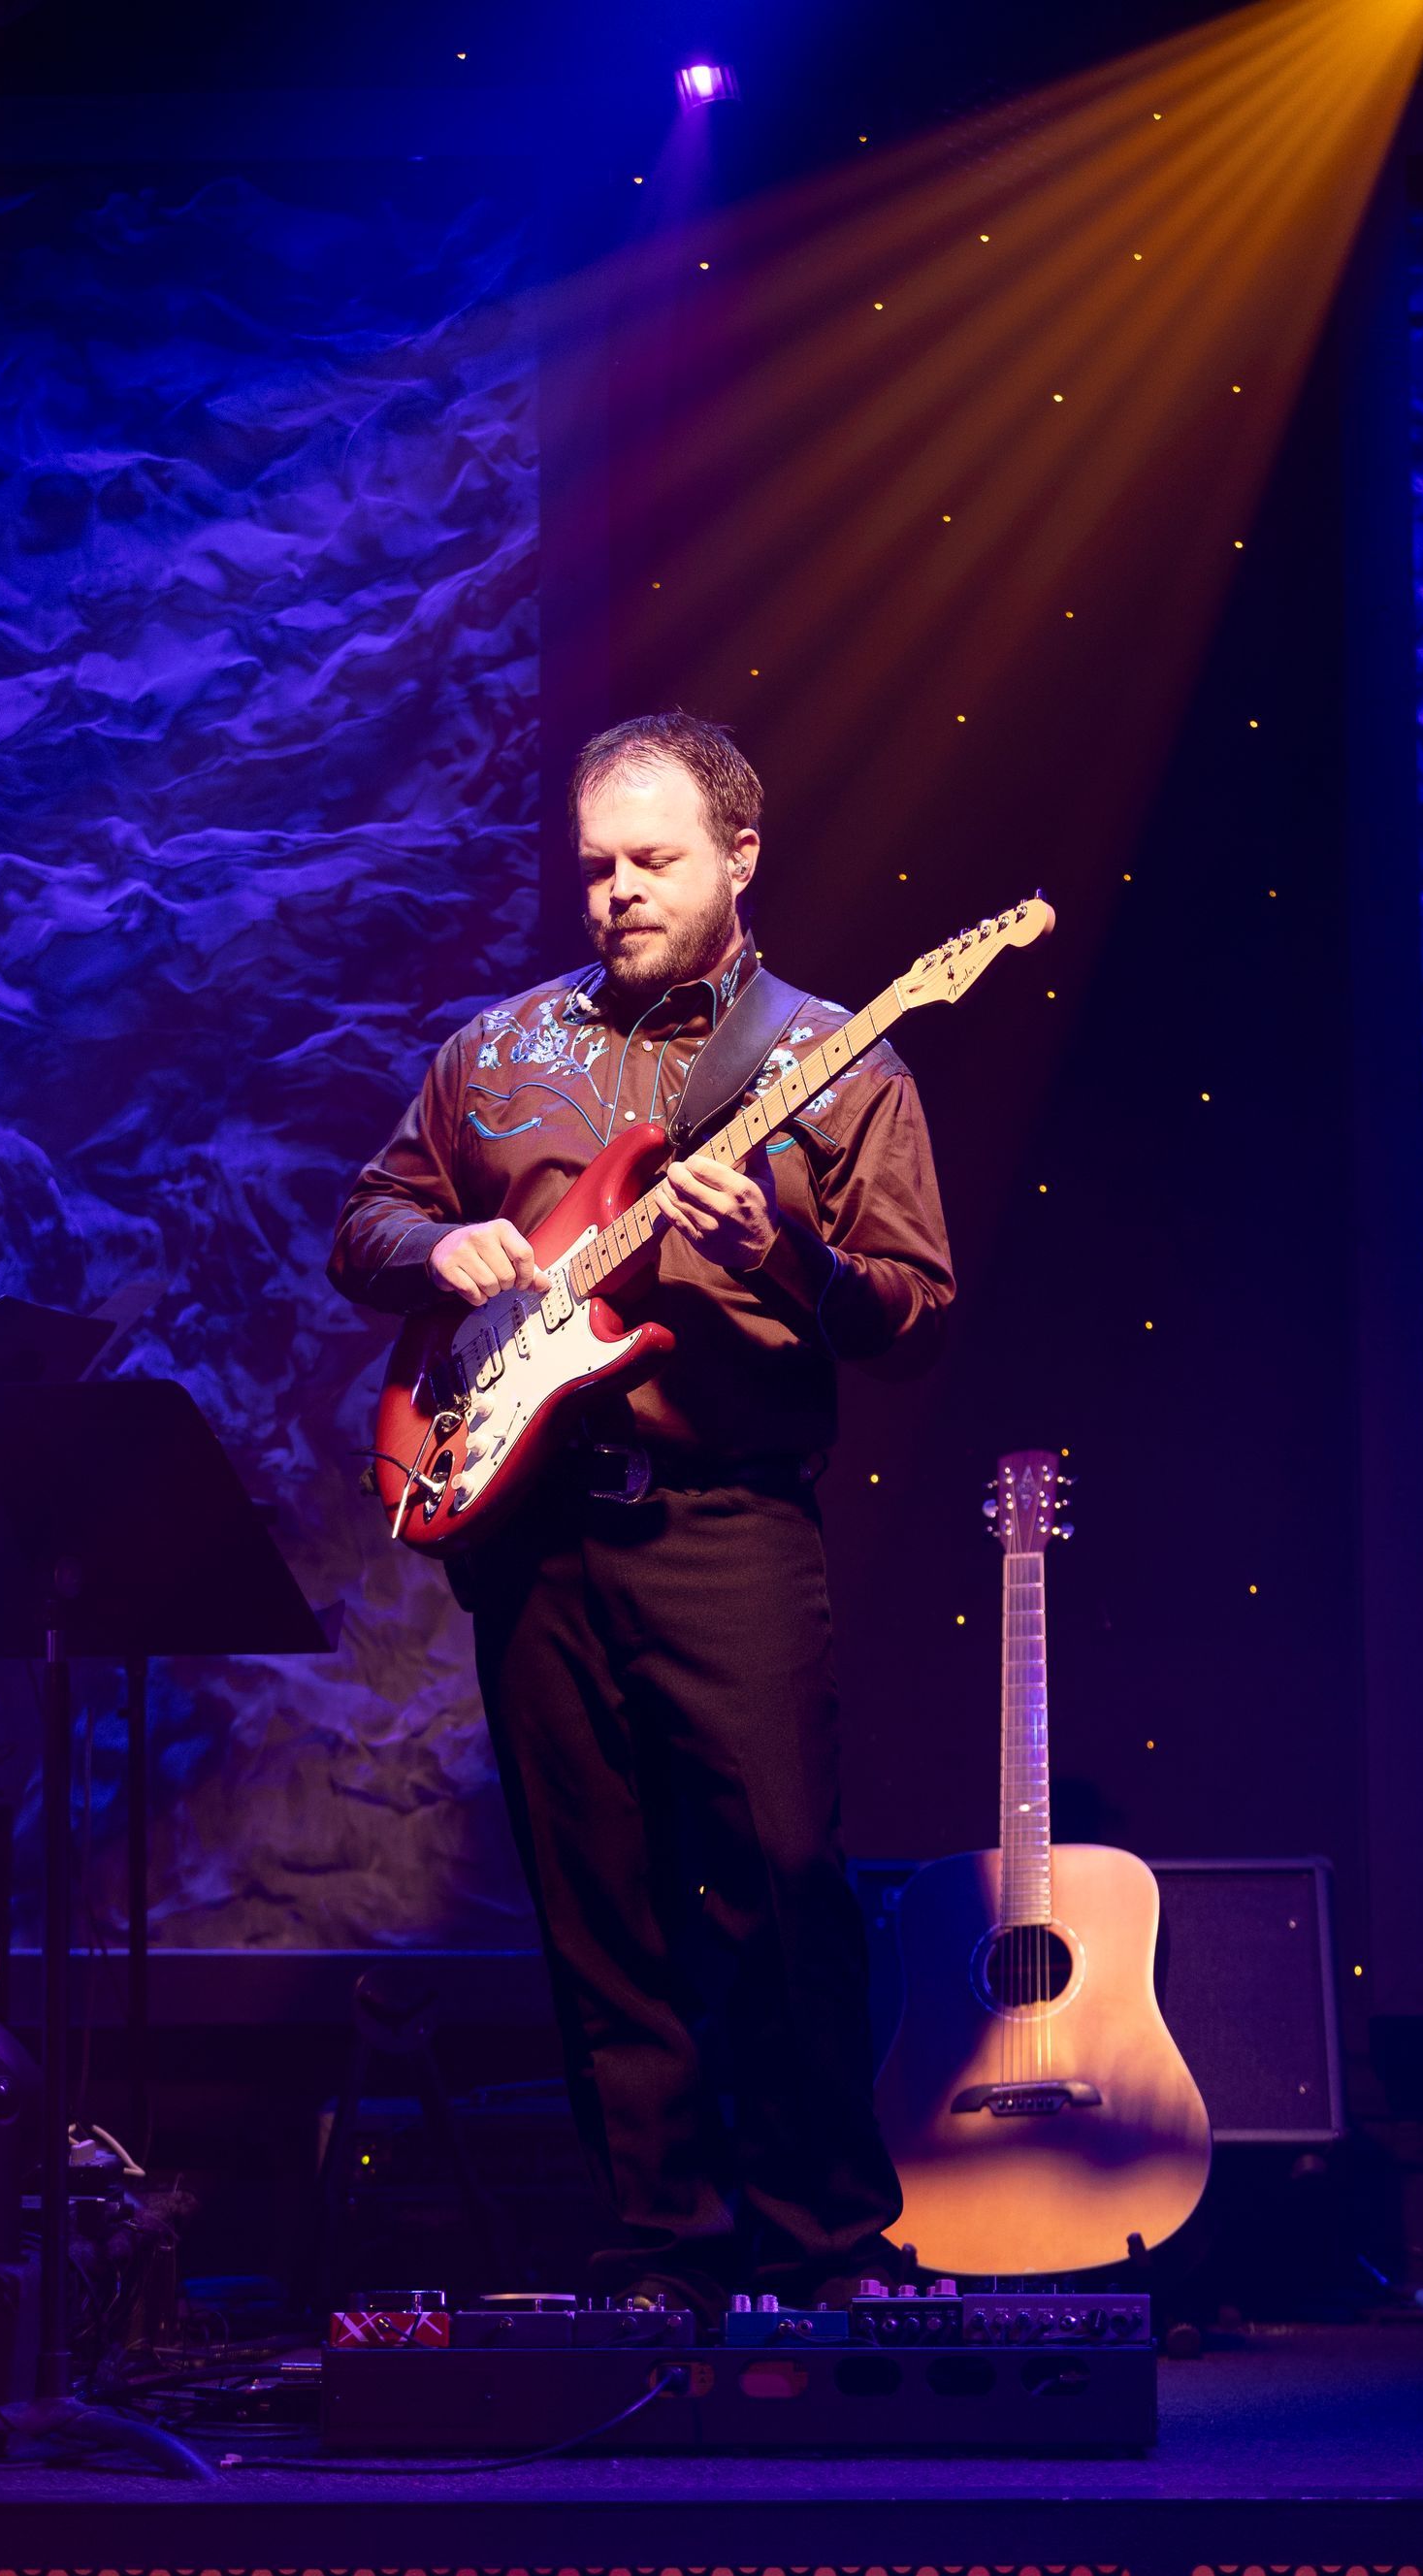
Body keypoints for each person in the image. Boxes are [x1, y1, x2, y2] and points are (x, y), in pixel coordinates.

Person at [330, 710, 954, 2320]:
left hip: (726, 1517)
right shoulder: (494, 1051)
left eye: (654, 860)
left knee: (785, 1884)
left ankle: (825, 2249)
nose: (616, 891)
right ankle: (661, 2252)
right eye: (596, 863)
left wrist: (784, 1260)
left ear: (742, 857)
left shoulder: (838, 1060)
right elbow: (368, 1220)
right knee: (594, 1904)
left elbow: (914, 1316)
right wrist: (436, 1253)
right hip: (529, 1522)